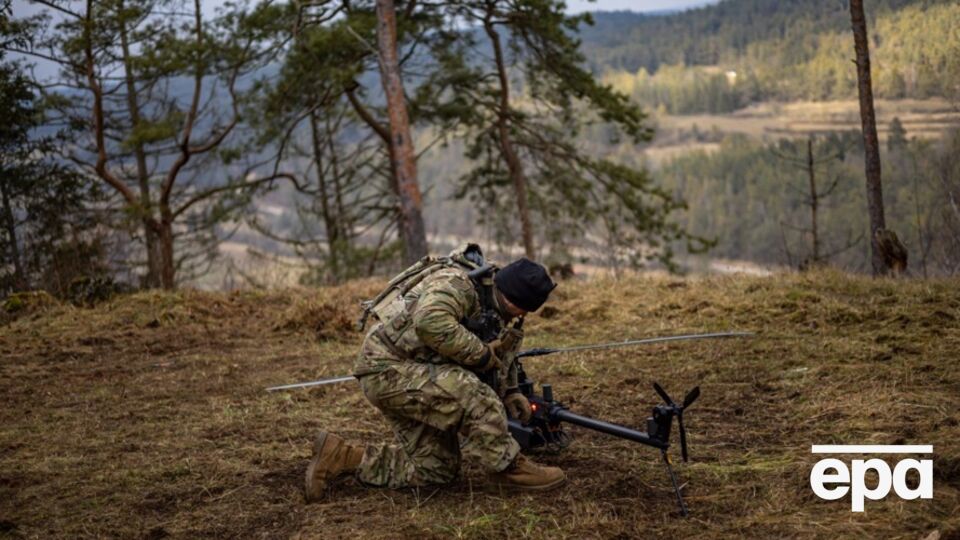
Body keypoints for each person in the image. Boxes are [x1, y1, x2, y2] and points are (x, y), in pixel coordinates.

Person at [305, 245, 564, 502]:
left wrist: (511, 391)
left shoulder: (499, 305)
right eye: (520, 310)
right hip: (386, 368)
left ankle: (340, 456)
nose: (520, 317)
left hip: (415, 369)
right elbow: (430, 322)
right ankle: (508, 469)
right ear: (511, 299)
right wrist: (481, 355)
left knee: (436, 470)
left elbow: (503, 347)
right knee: (473, 394)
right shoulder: (457, 284)